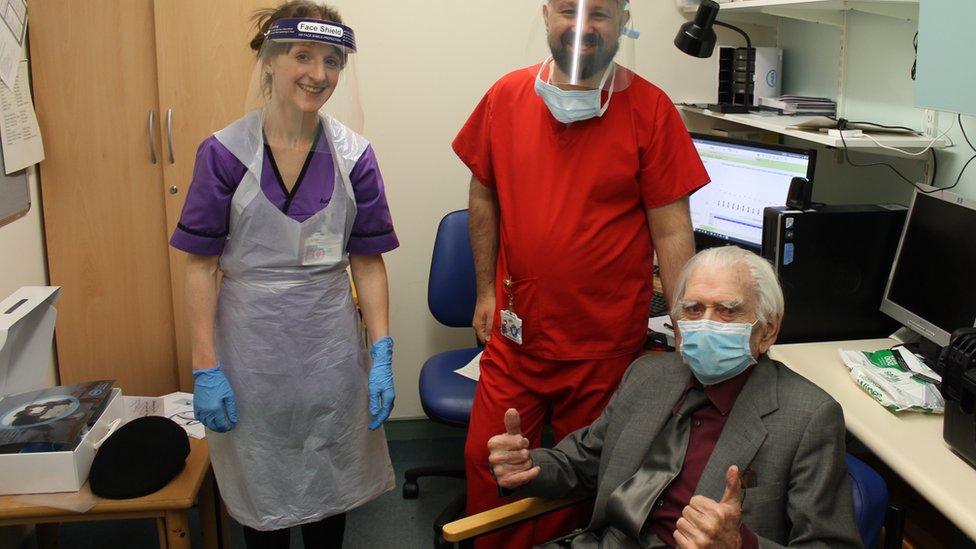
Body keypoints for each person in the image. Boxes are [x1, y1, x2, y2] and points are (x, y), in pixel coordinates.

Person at [452, 1, 709, 545]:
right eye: (570, 9)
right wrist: (482, 293)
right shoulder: (505, 97)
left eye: (600, 13)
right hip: (518, 336)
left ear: (622, 21)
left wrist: (689, 321)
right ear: (546, 15)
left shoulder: (651, 110)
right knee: (489, 461)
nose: (582, 26)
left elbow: (671, 230)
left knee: (584, 481)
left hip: (605, 345)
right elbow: (483, 196)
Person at [169, 2, 398, 547]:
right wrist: (206, 368)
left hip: (330, 345)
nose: (319, 75)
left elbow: (367, 260)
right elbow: (200, 266)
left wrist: (383, 351)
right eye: (302, 56)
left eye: (332, 60)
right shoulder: (224, 154)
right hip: (252, 350)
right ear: (268, 61)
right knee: (262, 484)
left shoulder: (353, 155)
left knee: (329, 482)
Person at [487, 246, 862, 548]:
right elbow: (585, 461)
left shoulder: (809, 418)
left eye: (727, 311)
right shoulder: (648, 374)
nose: (706, 324)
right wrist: (527, 466)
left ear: (767, 330)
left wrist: (741, 544)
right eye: (694, 309)